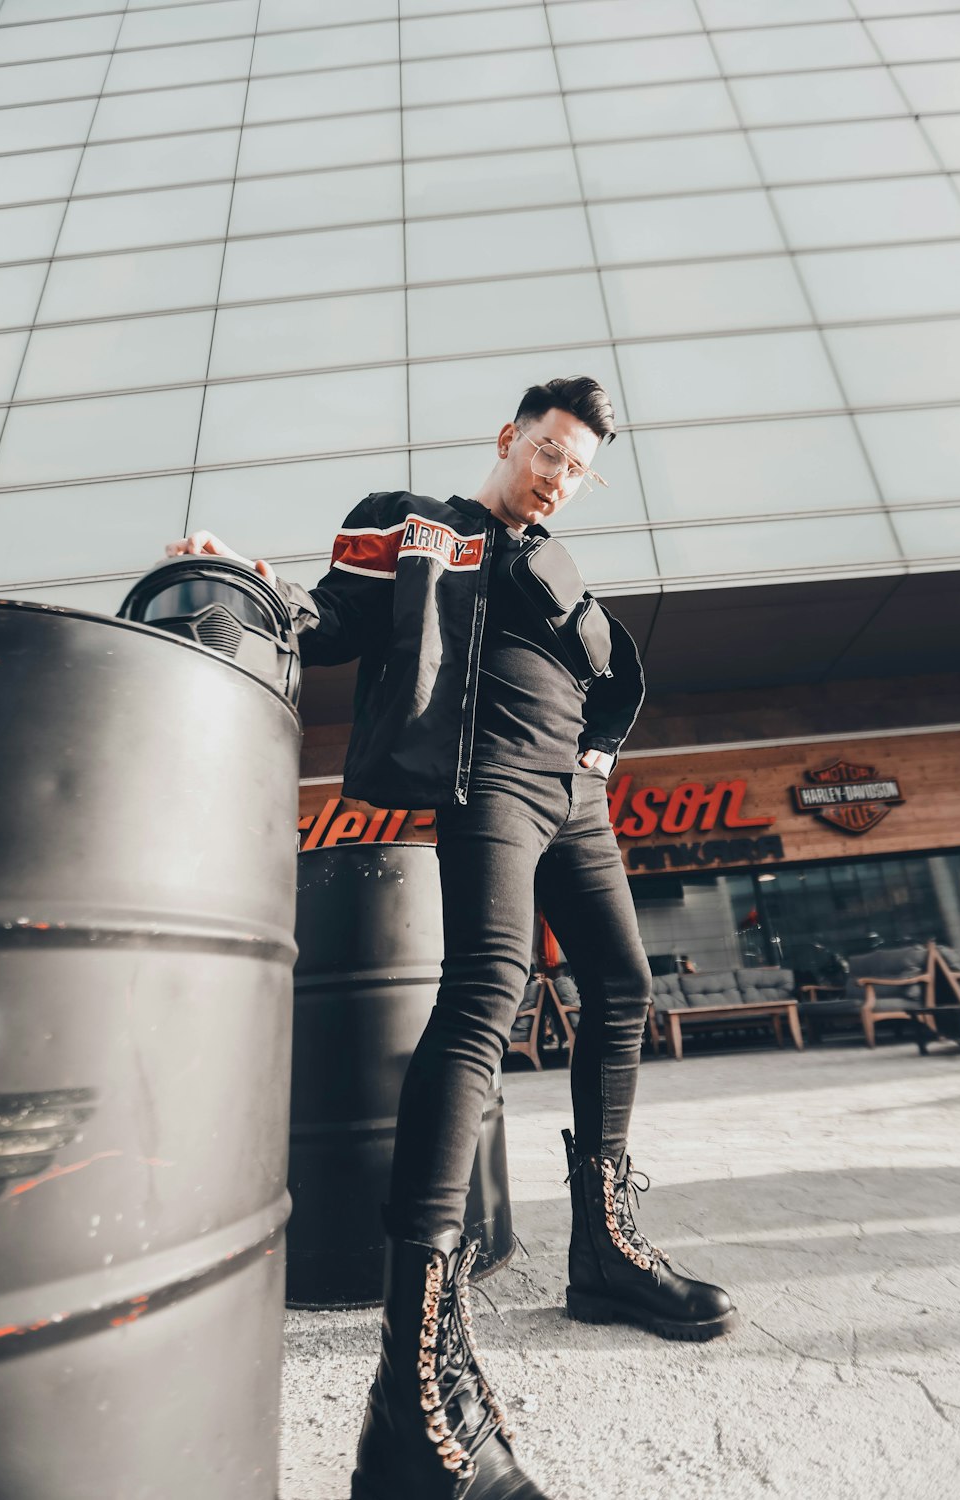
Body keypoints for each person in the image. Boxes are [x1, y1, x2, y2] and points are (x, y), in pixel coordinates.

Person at [166, 376, 735, 1500]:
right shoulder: (424, 527)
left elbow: (604, 681)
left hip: (571, 792)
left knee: (621, 987)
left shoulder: (559, 565)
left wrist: (597, 764)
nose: (555, 478)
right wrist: (241, 578)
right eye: (546, 452)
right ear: (509, 436)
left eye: (575, 469)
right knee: (486, 991)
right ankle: (415, 1362)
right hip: (491, 781)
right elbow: (332, 620)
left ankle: (604, 1255)